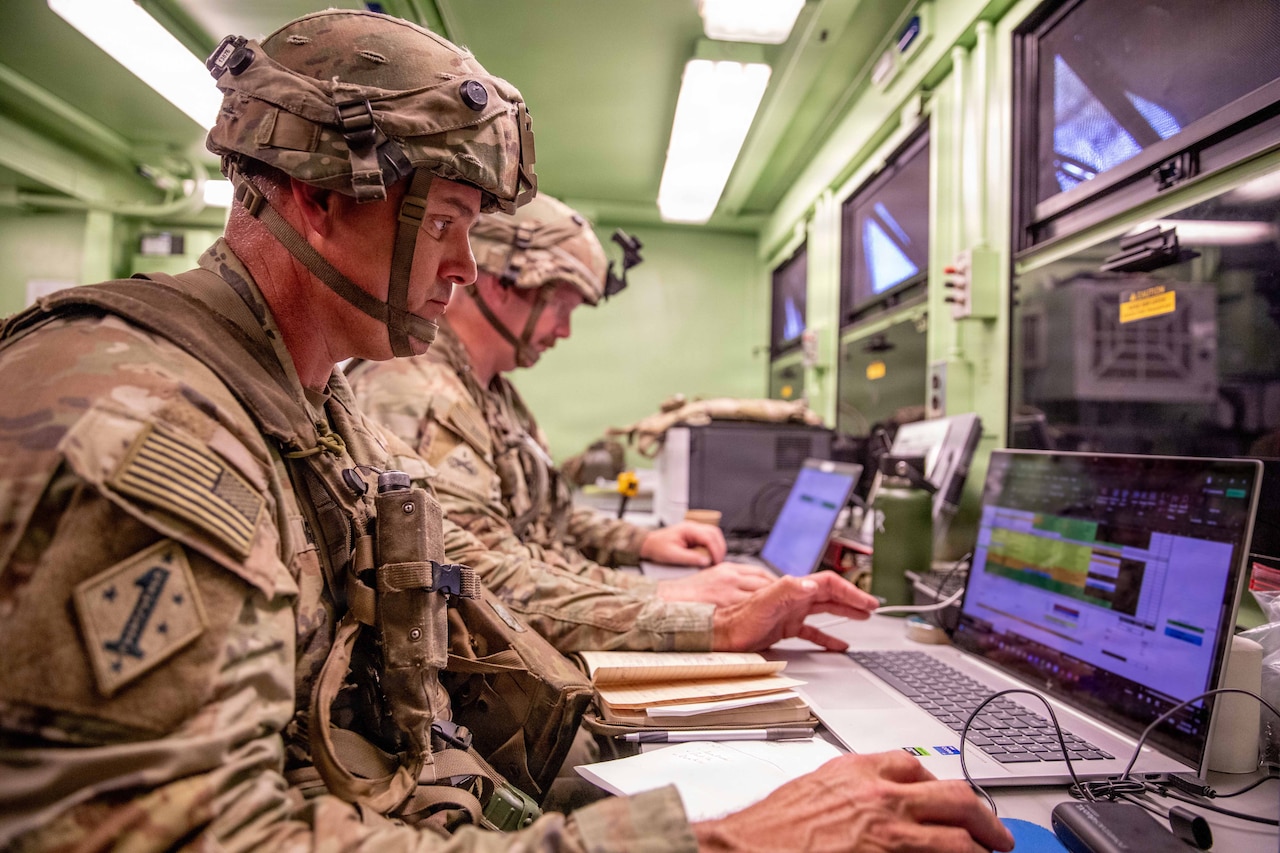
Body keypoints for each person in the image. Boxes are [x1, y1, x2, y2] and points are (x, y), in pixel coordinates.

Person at [0, 10, 1013, 852]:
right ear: (315, 199)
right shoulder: (146, 429)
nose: (462, 264)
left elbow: (452, 613)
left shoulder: (308, 399)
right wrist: (712, 840)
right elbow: (192, 835)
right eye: (443, 222)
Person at [348, 192, 774, 611]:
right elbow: (479, 579)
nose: (565, 331)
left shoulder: (490, 392)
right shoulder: (419, 395)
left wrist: (640, 542)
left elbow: (543, 520)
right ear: (501, 285)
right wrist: (666, 597)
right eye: (561, 307)